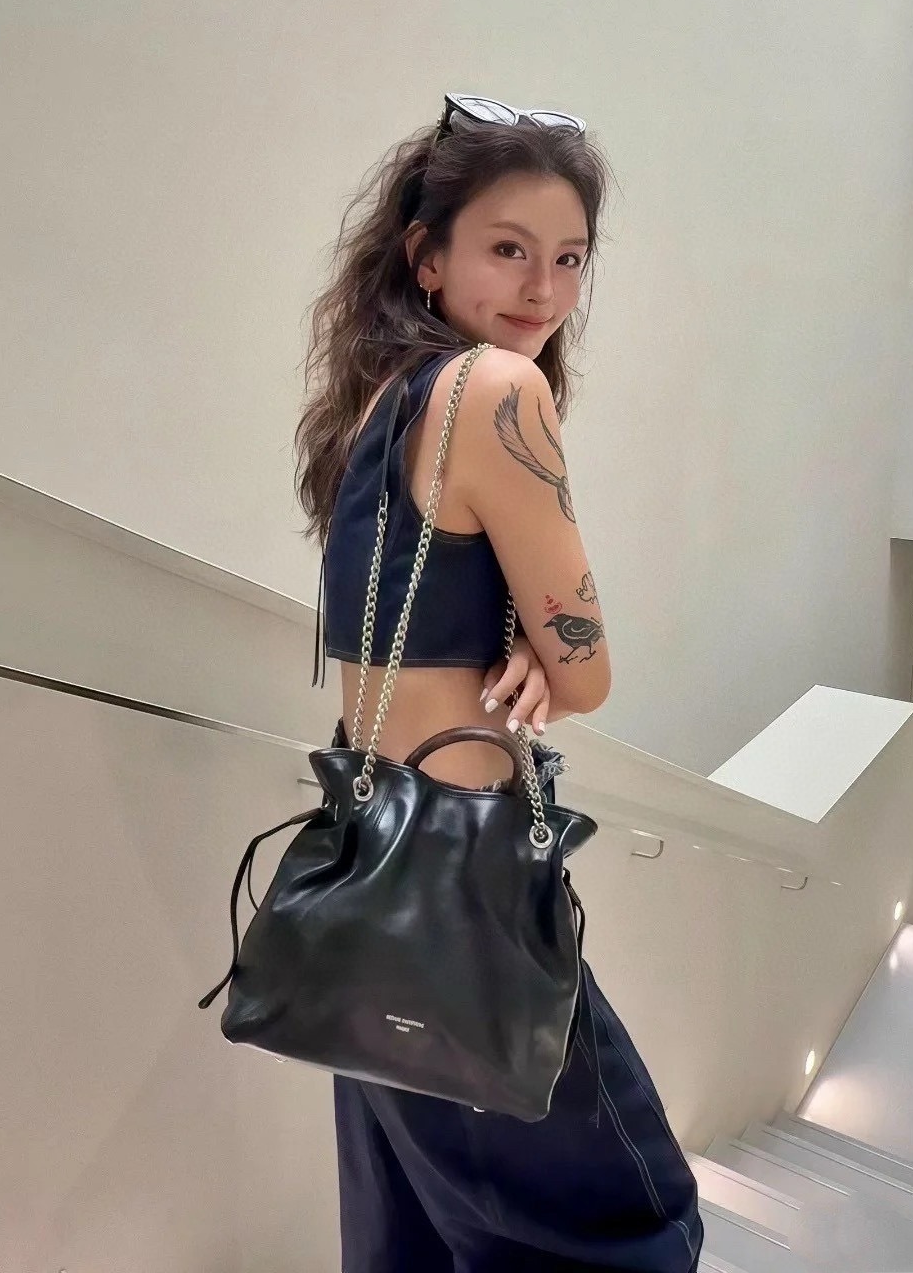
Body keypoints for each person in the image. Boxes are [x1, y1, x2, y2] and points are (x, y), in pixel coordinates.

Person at [294, 93, 703, 1271]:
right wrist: (547, 644)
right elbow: (587, 671)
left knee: (414, 1229)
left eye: (569, 258)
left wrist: (524, 633)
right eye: (509, 249)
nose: (543, 289)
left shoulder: (379, 401)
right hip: (461, 890)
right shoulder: (497, 391)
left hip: (363, 867)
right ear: (428, 256)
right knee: (623, 1226)